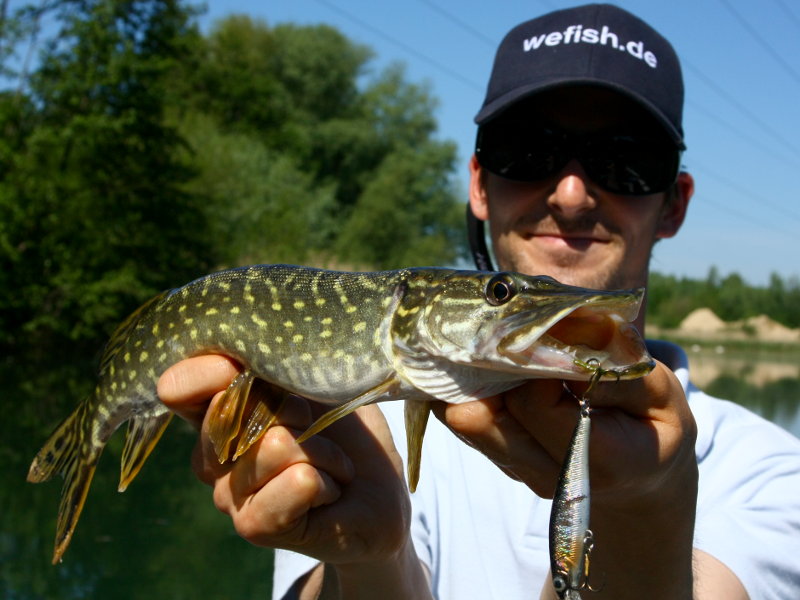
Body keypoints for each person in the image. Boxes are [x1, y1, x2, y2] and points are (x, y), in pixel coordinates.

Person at [157, 4, 800, 599]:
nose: (571, 195)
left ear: (675, 203)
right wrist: (368, 557)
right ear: (479, 185)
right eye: (529, 151)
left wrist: (644, 509)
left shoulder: (769, 475)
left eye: (625, 161)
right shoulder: (355, 431)